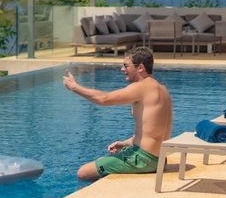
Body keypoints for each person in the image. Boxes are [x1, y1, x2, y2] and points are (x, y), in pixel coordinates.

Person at [63, 46, 173, 181]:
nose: (122, 69)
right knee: (104, 161)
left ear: (140, 68)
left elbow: (104, 99)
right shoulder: (163, 89)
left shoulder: (141, 87)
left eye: (126, 66)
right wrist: (124, 143)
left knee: (83, 172)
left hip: (143, 160)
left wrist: (75, 87)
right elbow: (153, 131)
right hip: (160, 159)